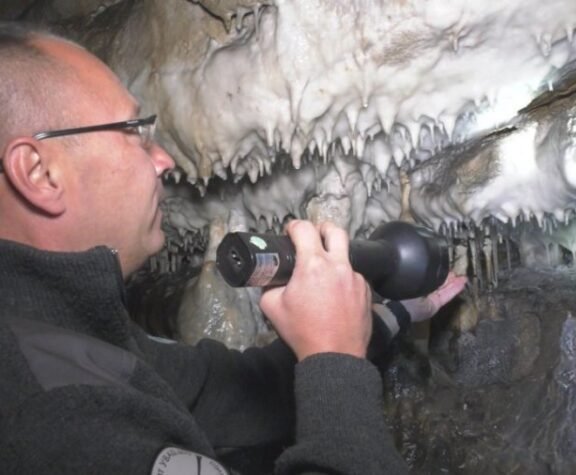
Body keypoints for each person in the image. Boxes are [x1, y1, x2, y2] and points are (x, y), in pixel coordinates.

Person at [0, 22, 466, 475]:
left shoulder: (74, 335)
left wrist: (383, 318)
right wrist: (336, 361)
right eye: (135, 132)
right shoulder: (52, 420)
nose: (163, 160)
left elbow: (241, 392)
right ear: (39, 173)